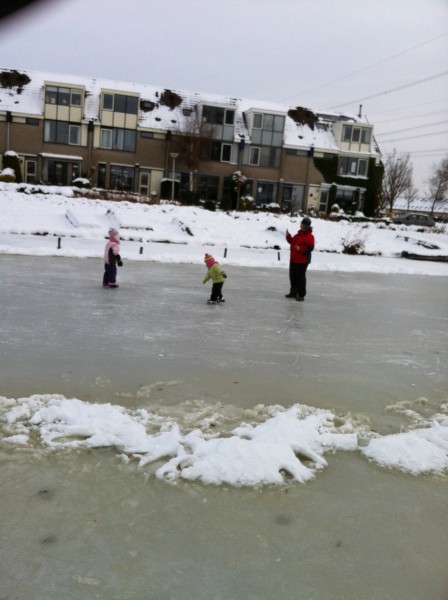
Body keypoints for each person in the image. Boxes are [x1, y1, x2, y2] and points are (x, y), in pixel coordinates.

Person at [285, 216, 315, 301]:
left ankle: (301, 295)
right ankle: (293, 292)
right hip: (293, 259)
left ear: (305, 226)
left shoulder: (309, 236)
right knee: (293, 276)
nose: (300, 225)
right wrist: (288, 237)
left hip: (302, 261)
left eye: (301, 224)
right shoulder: (298, 234)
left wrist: (300, 249)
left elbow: (310, 248)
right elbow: (292, 242)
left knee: (300, 278)